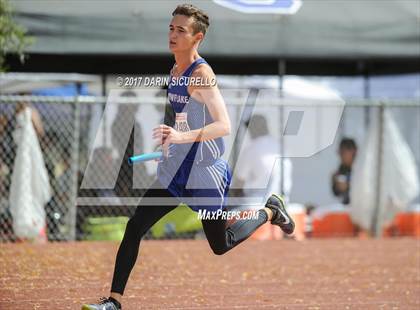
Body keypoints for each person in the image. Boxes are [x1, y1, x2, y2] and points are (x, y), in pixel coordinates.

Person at [82, 4, 295, 310]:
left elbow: (224, 125)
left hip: (205, 174)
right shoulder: (175, 71)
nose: (172, 34)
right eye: (171, 28)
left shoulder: (202, 74)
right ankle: (114, 302)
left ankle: (270, 211)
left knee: (221, 245)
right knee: (135, 226)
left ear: (197, 38)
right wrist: (172, 138)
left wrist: (183, 136)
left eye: (181, 31)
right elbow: (182, 114)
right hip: (177, 171)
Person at [331, 138, 357, 205]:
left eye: (343, 152)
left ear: (353, 151)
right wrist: (335, 184)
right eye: (340, 153)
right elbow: (336, 193)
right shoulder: (341, 170)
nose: (341, 156)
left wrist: (348, 186)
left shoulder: (362, 169)